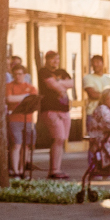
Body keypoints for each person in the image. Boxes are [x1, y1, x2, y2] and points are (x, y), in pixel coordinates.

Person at [37, 50, 73, 180]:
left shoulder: (62, 71)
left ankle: (57, 168)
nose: (55, 62)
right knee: (58, 137)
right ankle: (53, 170)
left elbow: (72, 83)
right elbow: (52, 85)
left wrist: (59, 83)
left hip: (64, 109)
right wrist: (60, 84)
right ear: (47, 60)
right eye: (52, 59)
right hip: (50, 109)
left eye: (57, 59)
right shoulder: (43, 71)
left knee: (62, 139)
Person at [6, 64, 37, 179]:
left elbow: (34, 99)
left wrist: (20, 97)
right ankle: (15, 171)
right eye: (15, 74)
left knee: (26, 146)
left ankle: (22, 169)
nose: (17, 76)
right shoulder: (9, 86)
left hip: (28, 119)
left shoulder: (30, 87)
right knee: (17, 144)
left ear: (25, 75)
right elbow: (9, 99)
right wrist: (26, 96)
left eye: (20, 74)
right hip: (14, 119)